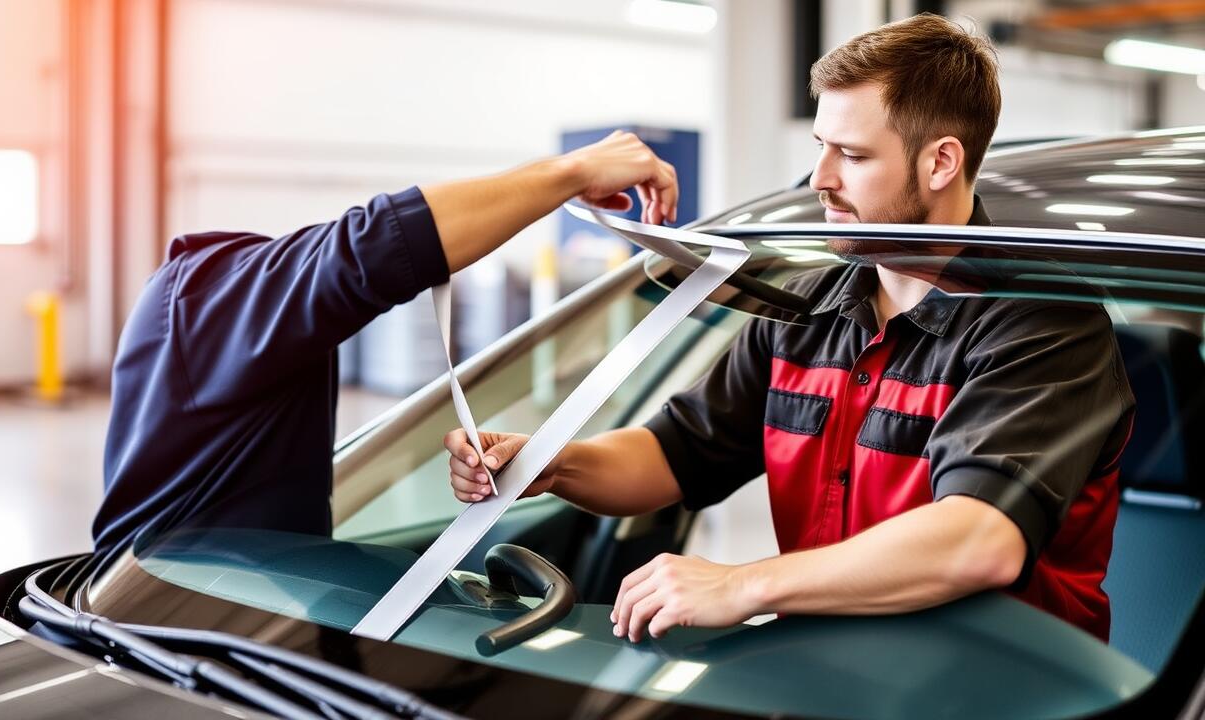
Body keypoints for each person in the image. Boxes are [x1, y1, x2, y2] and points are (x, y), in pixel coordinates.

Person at [445, 14, 1134, 643]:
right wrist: (550, 461)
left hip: (1001, 690)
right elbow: (677, 452)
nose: (819, 178)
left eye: (853, 156)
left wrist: (742, 583)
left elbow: (977, 540)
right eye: (820, 146)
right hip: (824, 671)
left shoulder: (1043, 323)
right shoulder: (805, 310)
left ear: (941, 162)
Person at [92, 131, 682, 563]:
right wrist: (574, 171)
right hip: (182, 646)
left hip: (210, 624)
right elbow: (374, 248)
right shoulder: (208, 297)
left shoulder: (196, 317)